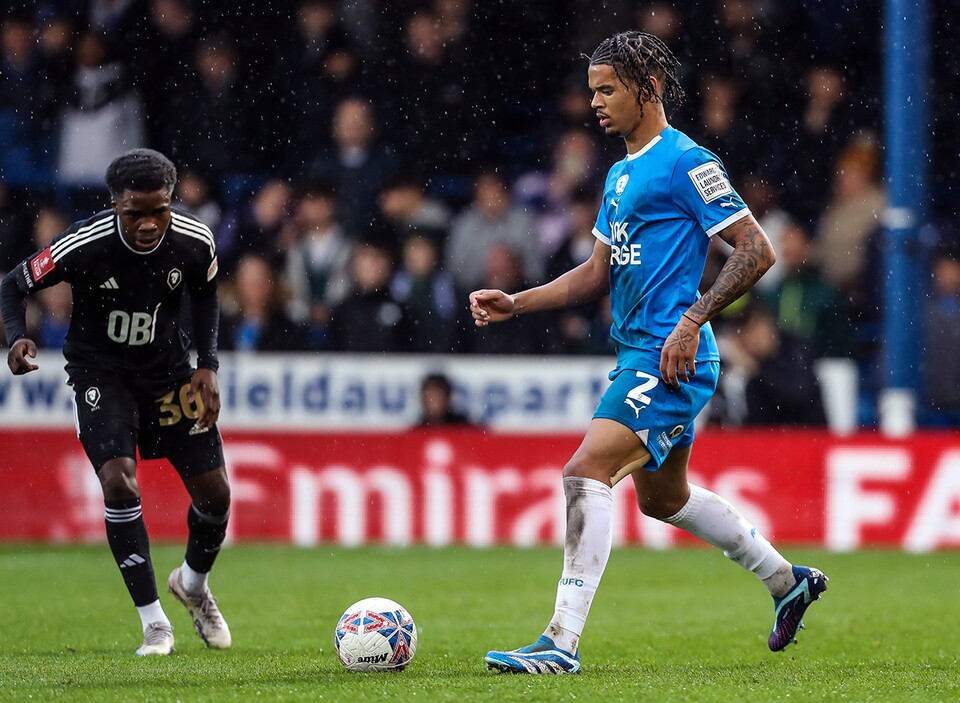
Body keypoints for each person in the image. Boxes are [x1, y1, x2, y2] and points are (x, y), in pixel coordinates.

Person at [470, 32, 828, 675]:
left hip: (670, 359)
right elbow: (592, 275)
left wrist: (692, 319)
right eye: (592, 92)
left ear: (649, 89)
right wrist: (516, 303)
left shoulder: (686, 161)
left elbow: (757, 249)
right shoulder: (619, 173)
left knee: (585, 471)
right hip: (640, 352)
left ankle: (559, 642)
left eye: (608, 90)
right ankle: (786, 582)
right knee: (662, 499)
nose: (597, 104)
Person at [0, 149, 231, 657]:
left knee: (215, 497)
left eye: (159, 211)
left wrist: (208, 364)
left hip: (170, 377)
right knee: (119, 481)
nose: (149, 224)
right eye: (135, 213)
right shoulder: (83, 243)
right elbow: (11, 286)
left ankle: (192, 585)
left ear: (172, 202)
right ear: (114, 205)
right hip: (101, 375)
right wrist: (16, 338)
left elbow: (207, 292)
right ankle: (154, 624)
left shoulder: (195, 240)